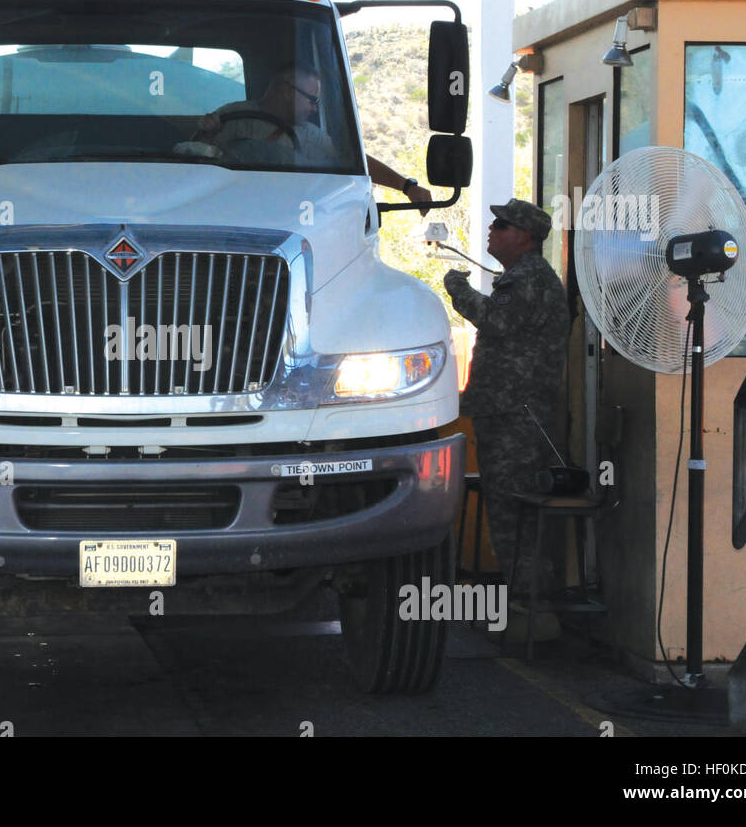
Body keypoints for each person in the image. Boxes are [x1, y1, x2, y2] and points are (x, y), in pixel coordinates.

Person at [442, 198, 570, 613]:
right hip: (508, 412)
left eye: (502, 224)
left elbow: (495, 321)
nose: (492, 229)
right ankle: (526, 603)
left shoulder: (528, 278)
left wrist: (456, 287)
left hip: (518, 416)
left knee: (515, 509)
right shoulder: (522, 277)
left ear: (525, 237)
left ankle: (529, 607)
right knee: (510, 507)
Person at [193, 63, 434, 212]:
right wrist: (206, 134)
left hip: (285, 215)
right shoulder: (231, 116)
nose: (315, 108)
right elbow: (194, 158)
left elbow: (354, 161)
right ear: (287, 92)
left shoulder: (311, 136)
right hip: (225, 210)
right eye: (312, 99)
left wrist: (406, 186)